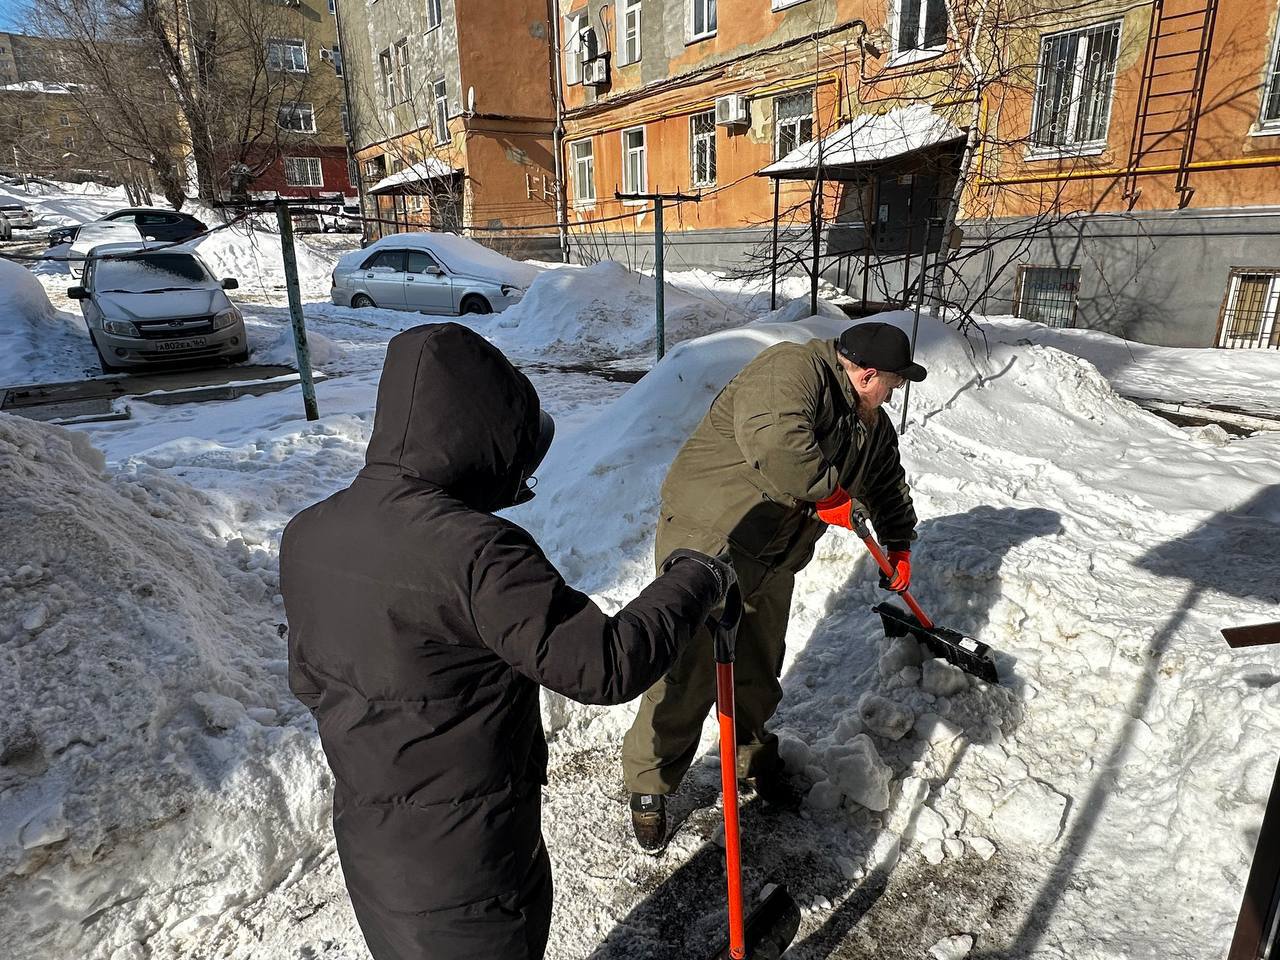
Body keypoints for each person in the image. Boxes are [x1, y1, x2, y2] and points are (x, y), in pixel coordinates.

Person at [279, 322, 734, 960]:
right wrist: (696, 577)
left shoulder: (308, 534)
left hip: (373, 847)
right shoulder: (478, 553)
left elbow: (309, 681)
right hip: (473, 864)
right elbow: (604, 665)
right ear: (481, 438)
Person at [621, 321, 927, 850]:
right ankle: (650, 782)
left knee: (758, 665)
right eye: (893, 383)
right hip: (712, 535)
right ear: (867, 374)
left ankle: (750, 756)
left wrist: (899, 542)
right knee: (691, 667)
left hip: (775, 552)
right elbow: (778, 443)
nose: (894, 393)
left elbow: (886, 482)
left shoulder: (870, 423)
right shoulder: (791, 369)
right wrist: (830, 495)